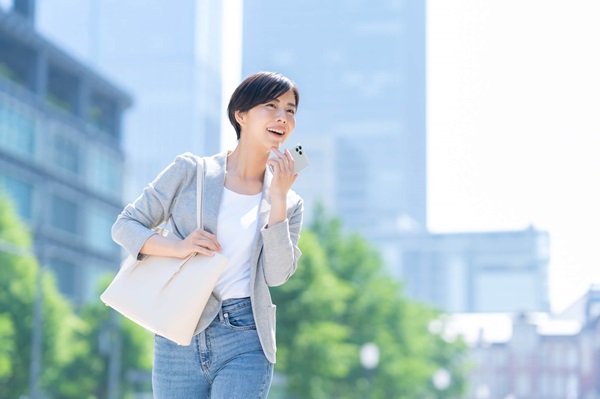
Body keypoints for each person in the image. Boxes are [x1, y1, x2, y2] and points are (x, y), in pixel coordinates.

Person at [111, 71, 303, 398]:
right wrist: (179, 247)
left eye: (290, 110)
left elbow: (276, 275)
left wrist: (280, 199)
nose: (282, 117)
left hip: (245, 336)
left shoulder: (290, 202)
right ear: (240, 115)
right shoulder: (191, 172)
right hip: (179, 330)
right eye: (271, 105)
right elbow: (125, 226)